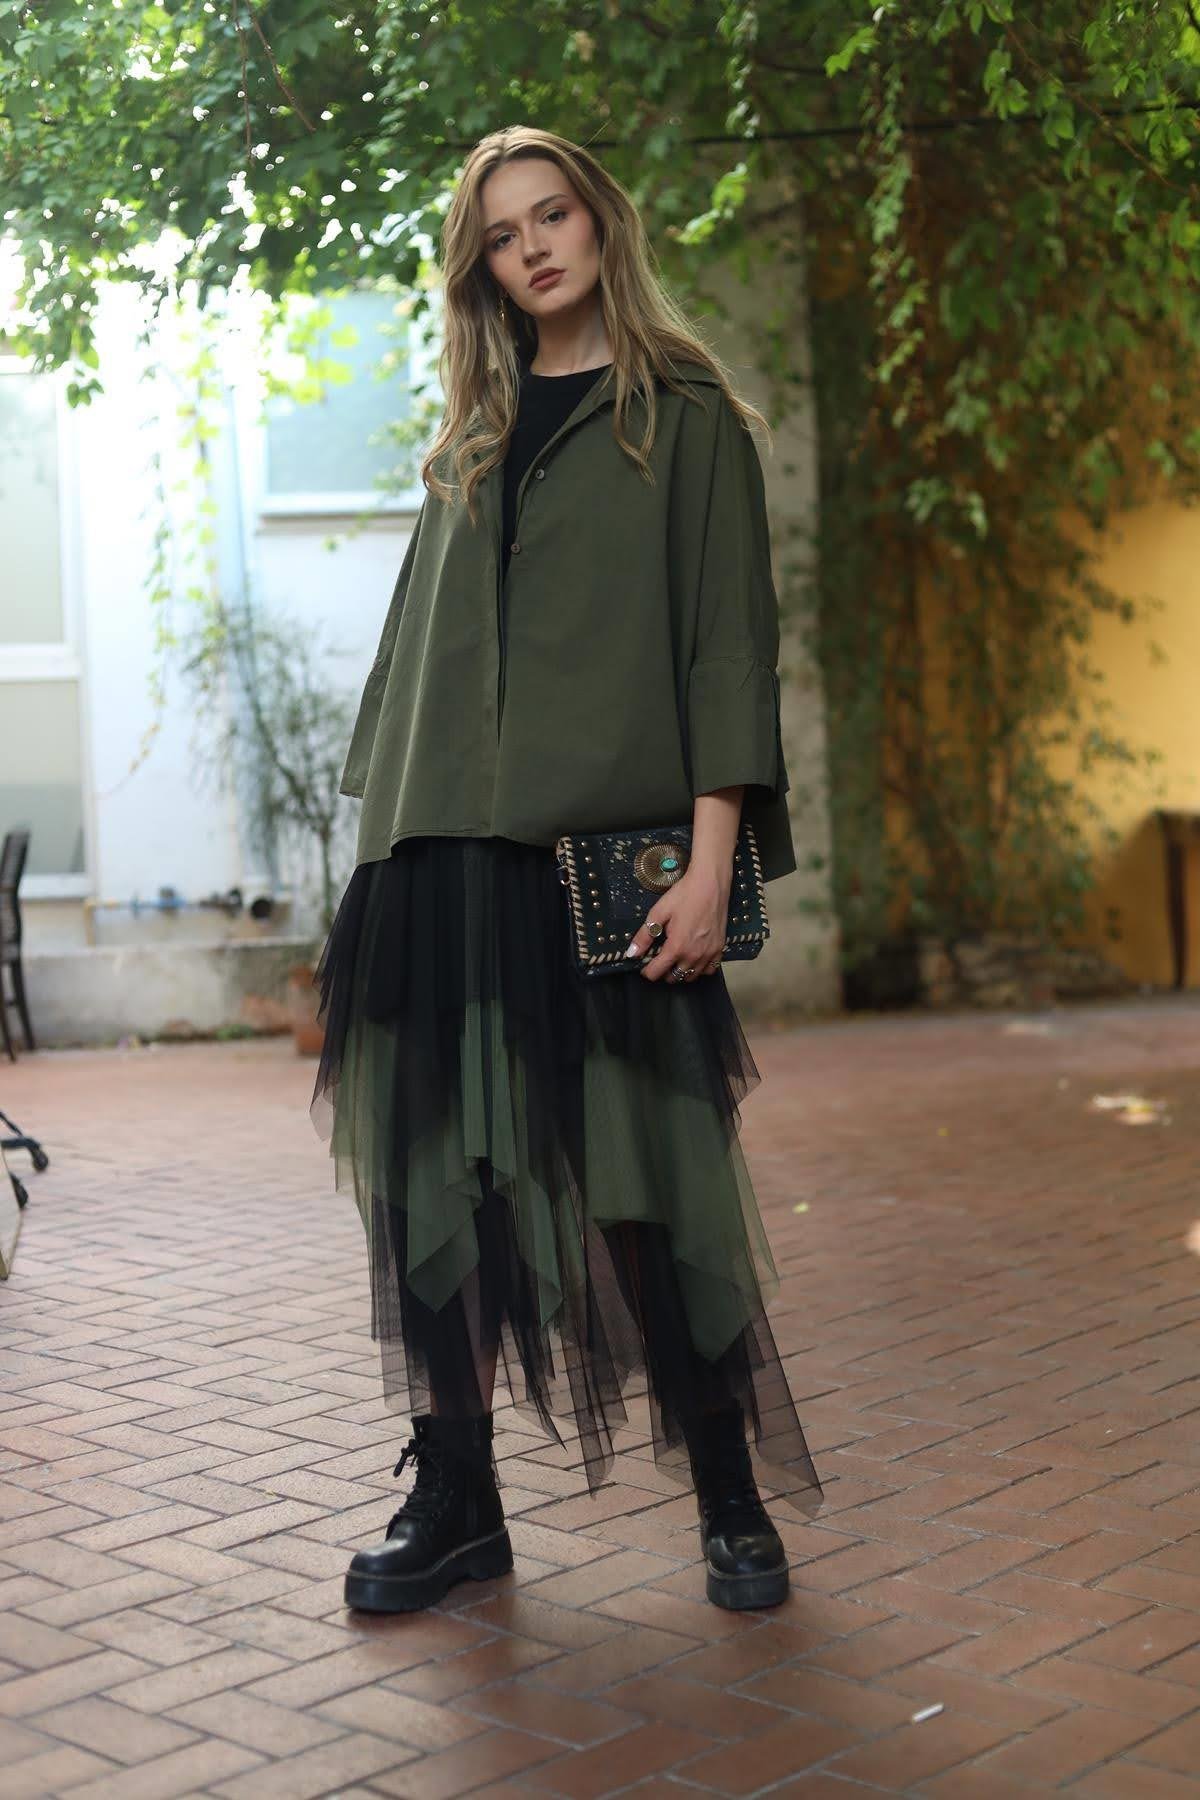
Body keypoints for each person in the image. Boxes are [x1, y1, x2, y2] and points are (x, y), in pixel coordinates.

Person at [310, 124, 823, 1618]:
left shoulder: (689, 416)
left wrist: (713, 862)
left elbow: (725, 647)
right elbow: (420, 660)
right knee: (441, 1187)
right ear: (480, 265)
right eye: (502, 233)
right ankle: (457, 1504)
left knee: (646, 1179)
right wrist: (385, 847)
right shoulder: (468, 435)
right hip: (439, 863)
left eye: (553, 215)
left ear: (601, 223)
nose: (533, 247)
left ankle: (728, 1491)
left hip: (600, 864)